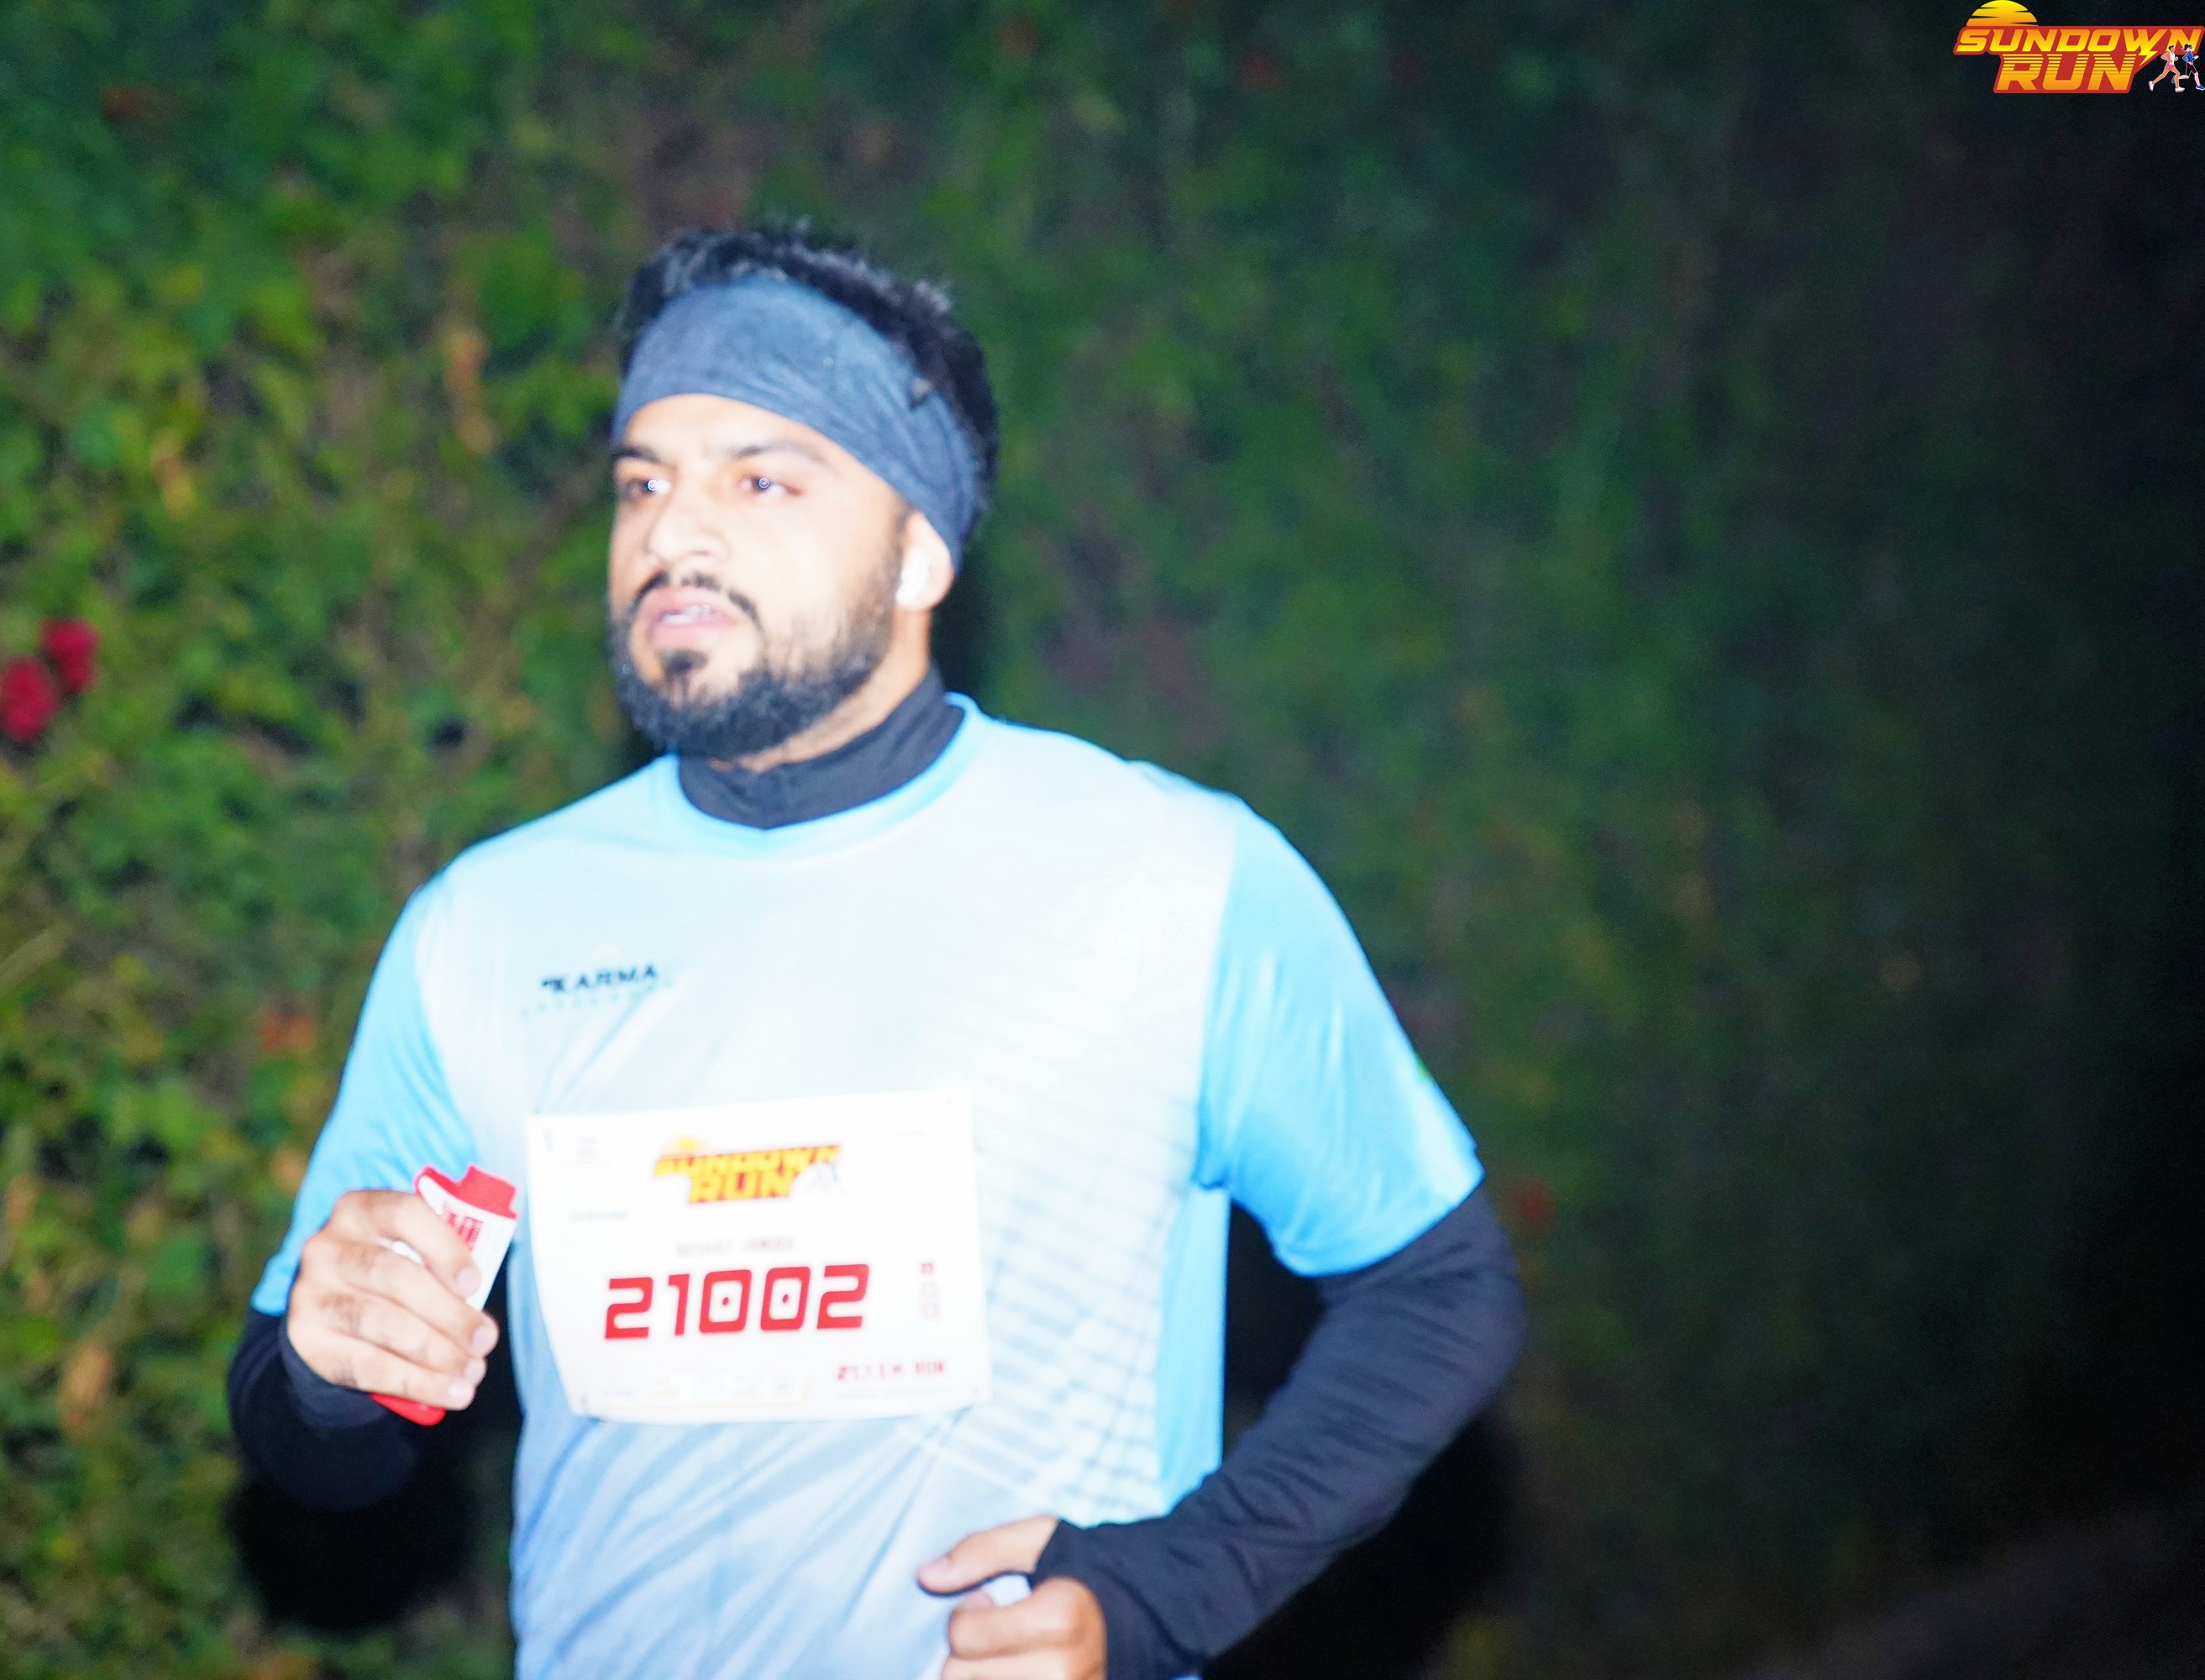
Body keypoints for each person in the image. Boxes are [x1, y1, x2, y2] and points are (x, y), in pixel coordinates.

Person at [228, 224, 1524, 1680]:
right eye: (643, 482)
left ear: (919, 551)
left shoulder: (1172, 881)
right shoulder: (489, 929)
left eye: (760, 480)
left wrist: (1164, 1590)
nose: (673, 534)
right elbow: (311, 1436)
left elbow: (1439, 1291)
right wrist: (331, 1372)